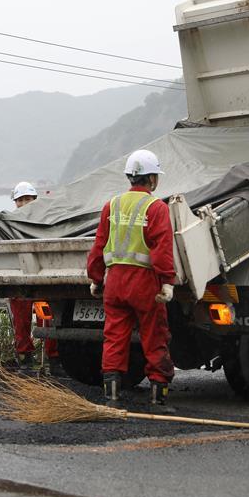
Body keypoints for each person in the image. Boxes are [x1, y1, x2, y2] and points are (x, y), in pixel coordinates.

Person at [86, 149, 176, 412]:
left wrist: (95, 278)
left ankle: (112, 398)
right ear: (152, 179)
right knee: (154, 336)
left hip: (114, 282)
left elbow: (99, 244)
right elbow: (161, 248)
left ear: (130, 177)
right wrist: (167, 282)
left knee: (114, 337)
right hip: (144, 283)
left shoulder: (111, 205)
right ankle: (157, 399)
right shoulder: (156, 208)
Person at [7, 182, 63, 375]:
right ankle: (25, 360)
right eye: (20, 200)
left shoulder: (46, 220)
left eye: (27, 199)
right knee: (21, 323)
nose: (23, 203)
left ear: (35, 200)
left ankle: (52, 360)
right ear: (15, 202)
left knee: (46, 319)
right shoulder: (8, 224)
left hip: (41, 284)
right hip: (20, 284)